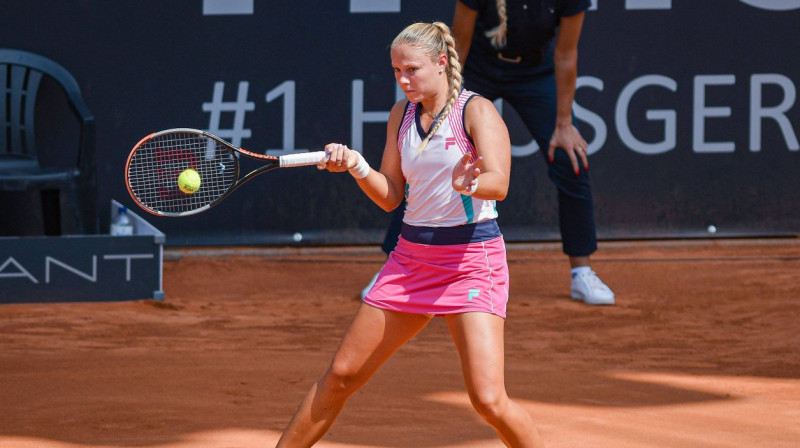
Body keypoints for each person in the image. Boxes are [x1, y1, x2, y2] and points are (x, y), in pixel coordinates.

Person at [276, 21, 545, 447]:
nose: (403, 80)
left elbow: (500, 182)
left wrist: (468, 184)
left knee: (489, 399)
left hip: (471, 264)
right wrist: (357, 166)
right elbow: (391, 196)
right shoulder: (401, 115)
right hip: (410, 261)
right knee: (341, 376)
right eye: (396, 70)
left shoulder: (476, 111)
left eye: (412, 70)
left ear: (442, 63)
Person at [363, 0, 614, 306]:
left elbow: (565, 54)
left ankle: (581, 271)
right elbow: (461, 44)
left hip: (536, 74)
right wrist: (449, 106)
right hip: (479, 67)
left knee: (569, 157)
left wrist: (564, 123)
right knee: (424, 157)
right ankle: (396, 264)